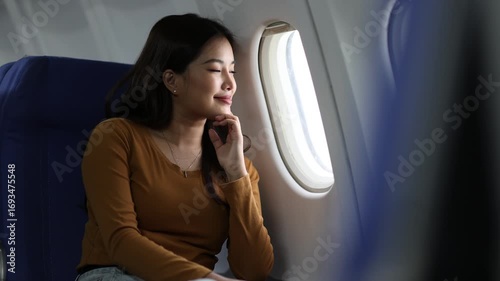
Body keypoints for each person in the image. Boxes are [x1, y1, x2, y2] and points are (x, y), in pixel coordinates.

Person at [76, 13, 274, 281]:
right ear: (172, 81)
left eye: (233, 71)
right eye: (216, 70)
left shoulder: (238, 167)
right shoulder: (116, 138)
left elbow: (254, 271)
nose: (230, 83)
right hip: (116, 274)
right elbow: (121, 242)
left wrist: (236, 173)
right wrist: (208, 280)